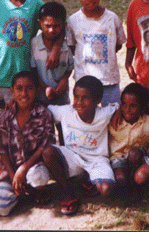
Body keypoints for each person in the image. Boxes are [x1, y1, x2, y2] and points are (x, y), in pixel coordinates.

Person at [0, 0, 63, 178]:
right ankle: (4, 153)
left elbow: (56, 25)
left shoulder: (34, 5)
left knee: (15, 122)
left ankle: (18, 158)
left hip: (20, 80)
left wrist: (56, 48)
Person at [43, 76, 119, 216]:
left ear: (97, 101)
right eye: (76, 96)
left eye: (85, 98)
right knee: (48, 153)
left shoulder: (104, 114)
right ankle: (69, 193)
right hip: (72, 155)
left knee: (106, 190)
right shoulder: (66, 112)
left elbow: (123, 106)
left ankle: (89, 178)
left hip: (97, 160)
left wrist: (119, 112)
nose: (79, 102)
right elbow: (42, 109)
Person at [0, 71, 56, 216]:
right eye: (19, 88)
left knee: (39, 176)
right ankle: (17, 191)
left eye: (29, 88)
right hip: (10, 170)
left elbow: (45, 146)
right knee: (2, 207)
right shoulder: (4, 117)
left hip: (33, 166)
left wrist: (23, 170)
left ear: (37, 90)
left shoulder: (44, 114)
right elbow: (1, 150)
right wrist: (14, 176)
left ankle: (36, 190)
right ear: (12, 91)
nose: (24, 93)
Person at [67, 0, 126, 106]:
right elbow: (72, 46)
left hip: (109, 80)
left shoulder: (112, 19)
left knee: (112, 117)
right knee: (86, 117)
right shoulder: (73, 21)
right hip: (84, 81)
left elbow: (118, 45)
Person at [108, 83, 149, 199]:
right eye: (123, 104)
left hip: (138, 159)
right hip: (117, 158)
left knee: (134, 153)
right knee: (120, 179)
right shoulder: (114, 119)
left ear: (142, 108)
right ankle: (127, 189)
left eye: (133, 105)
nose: (127, 109)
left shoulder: (148, 121)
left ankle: (137, 186)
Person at [30, 1, 74, 105]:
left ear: (64, 25)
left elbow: (70, 67)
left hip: (62, 99)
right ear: (40, 23)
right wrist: (45, 88)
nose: (51, 30)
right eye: (47, 25)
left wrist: (64, 80)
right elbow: (33, 71)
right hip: (40, 99)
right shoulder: (34, 43)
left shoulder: (66, 45)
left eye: (56, 26)